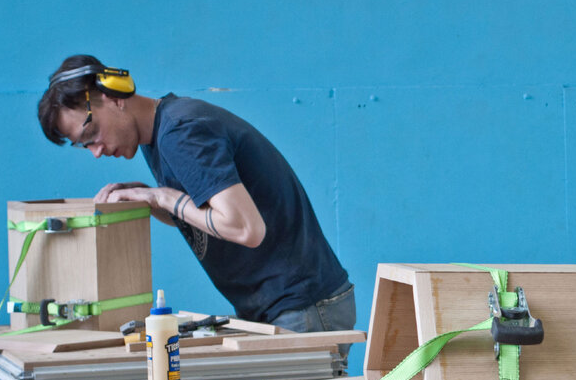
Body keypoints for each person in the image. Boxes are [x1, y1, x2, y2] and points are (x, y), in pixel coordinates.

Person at [37, 56, 355, 355]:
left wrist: (161, 196)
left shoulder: (181, 131)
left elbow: (247, 228)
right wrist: (148, 198)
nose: (96, 151)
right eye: (84, 146)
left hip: (303, 308)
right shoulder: (160, 135)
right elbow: (199, 216)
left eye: (91, 133)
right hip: (287, 307)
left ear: (115, 96)